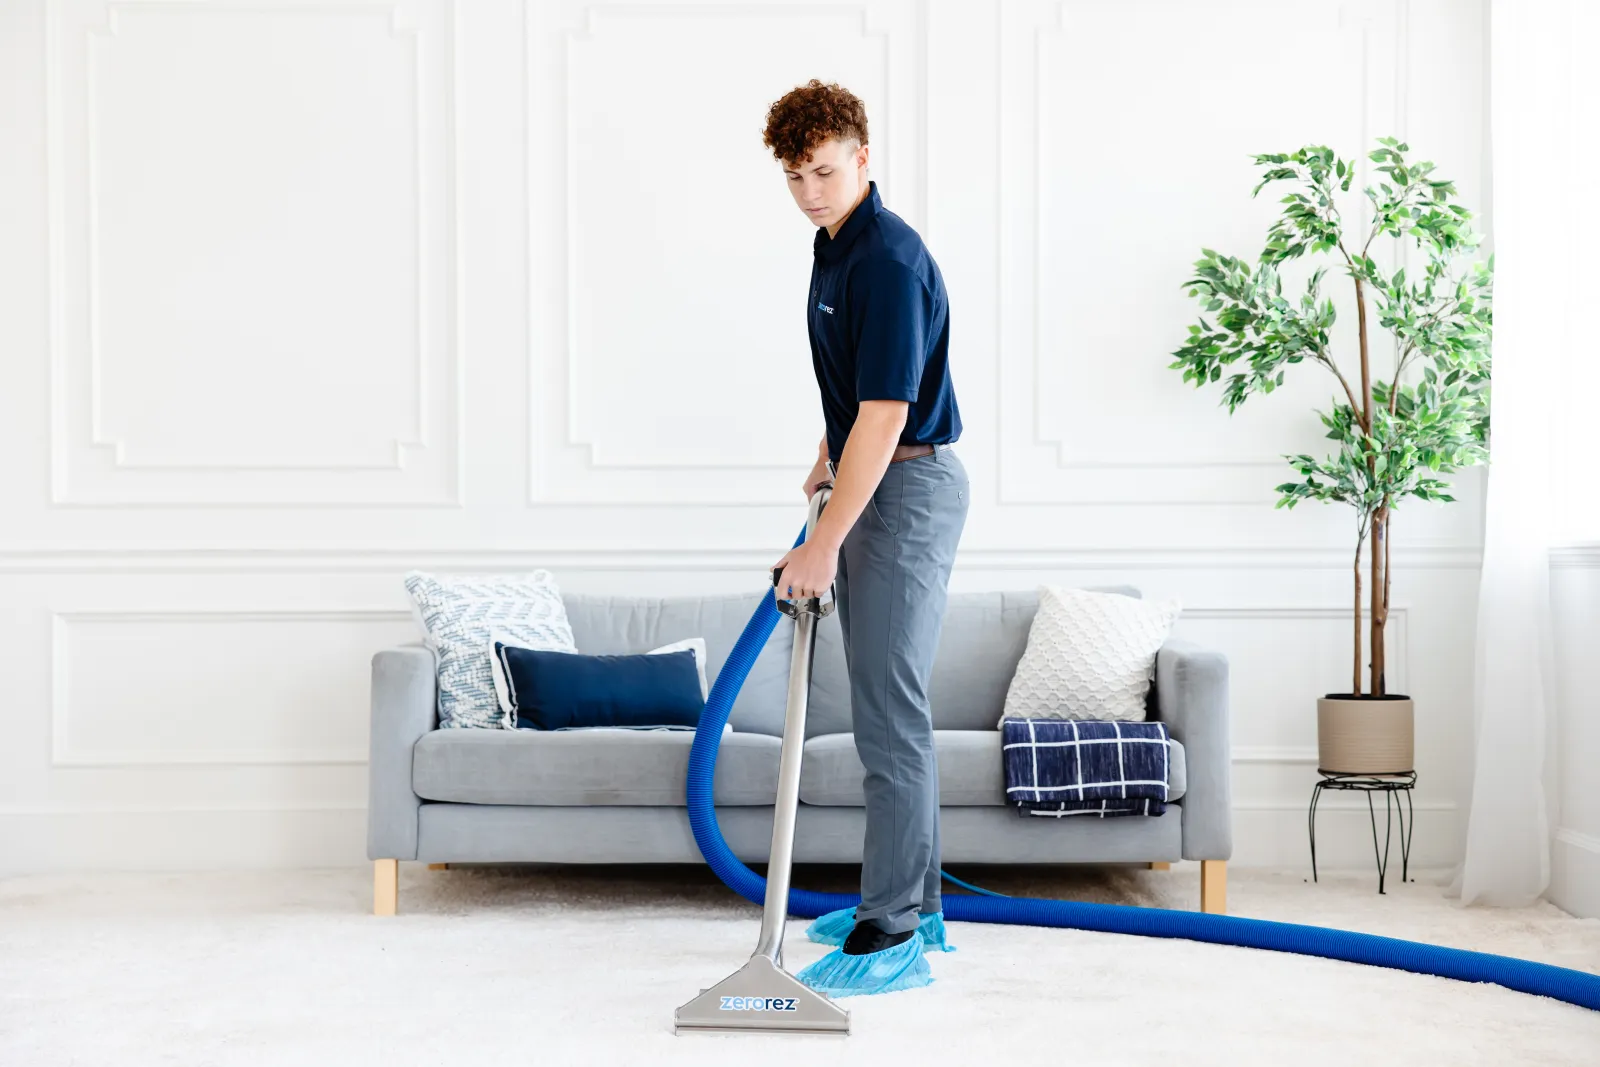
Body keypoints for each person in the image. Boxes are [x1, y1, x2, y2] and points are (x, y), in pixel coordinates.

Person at [762, 80, 969, 960]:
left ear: (863, 157)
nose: (811, 192)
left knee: (890, 712)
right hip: (869, 474)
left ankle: (892, 921)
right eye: (796, 176)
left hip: (906, 487)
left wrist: (823, 540)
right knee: (885, 707)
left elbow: (888, 413)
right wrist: (824, 453)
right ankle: (908, 903)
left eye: (825, 171)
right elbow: (856, 393)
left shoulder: (885, 258)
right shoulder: (833, 247)